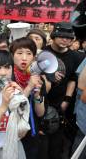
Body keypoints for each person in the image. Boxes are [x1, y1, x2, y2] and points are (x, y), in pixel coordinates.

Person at [43, 22, 85, 159]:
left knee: (58, 144)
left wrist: (67, 99)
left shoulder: (78, 57)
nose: (65, 40)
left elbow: (74, 78)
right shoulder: (43, 52)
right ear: (54, 36)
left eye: (68, 37)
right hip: (42, 101)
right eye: (61, 36)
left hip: (64, 105)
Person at [10, 37, 49, 159]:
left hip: (31, 131)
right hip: (11, 130)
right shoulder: (8, 76)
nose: (24, 58)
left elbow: (40, 113)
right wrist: (29, 86)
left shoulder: (37, 77)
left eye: (29, 53)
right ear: (12, 56)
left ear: (34, 57)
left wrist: (37, 95)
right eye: (19, 53)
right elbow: (13, 106)